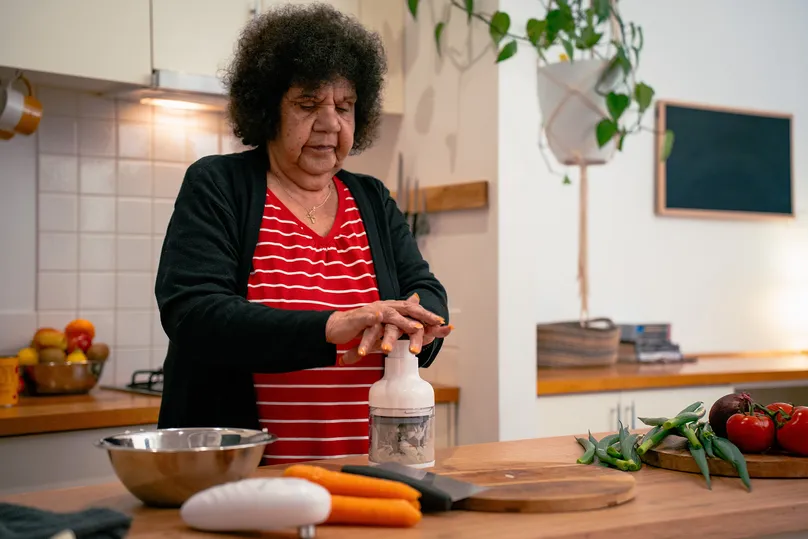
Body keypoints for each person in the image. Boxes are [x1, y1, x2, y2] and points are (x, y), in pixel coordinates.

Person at [154, 3, 452, 465]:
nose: (331, 123)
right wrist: (330, 328)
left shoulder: (371, 198)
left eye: (345, 106)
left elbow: (425, 290)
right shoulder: (218, 185)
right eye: (308, 104)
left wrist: (410, 322)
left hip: (368, 472)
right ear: (269, 107)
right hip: (241, 476)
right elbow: (194, 314)